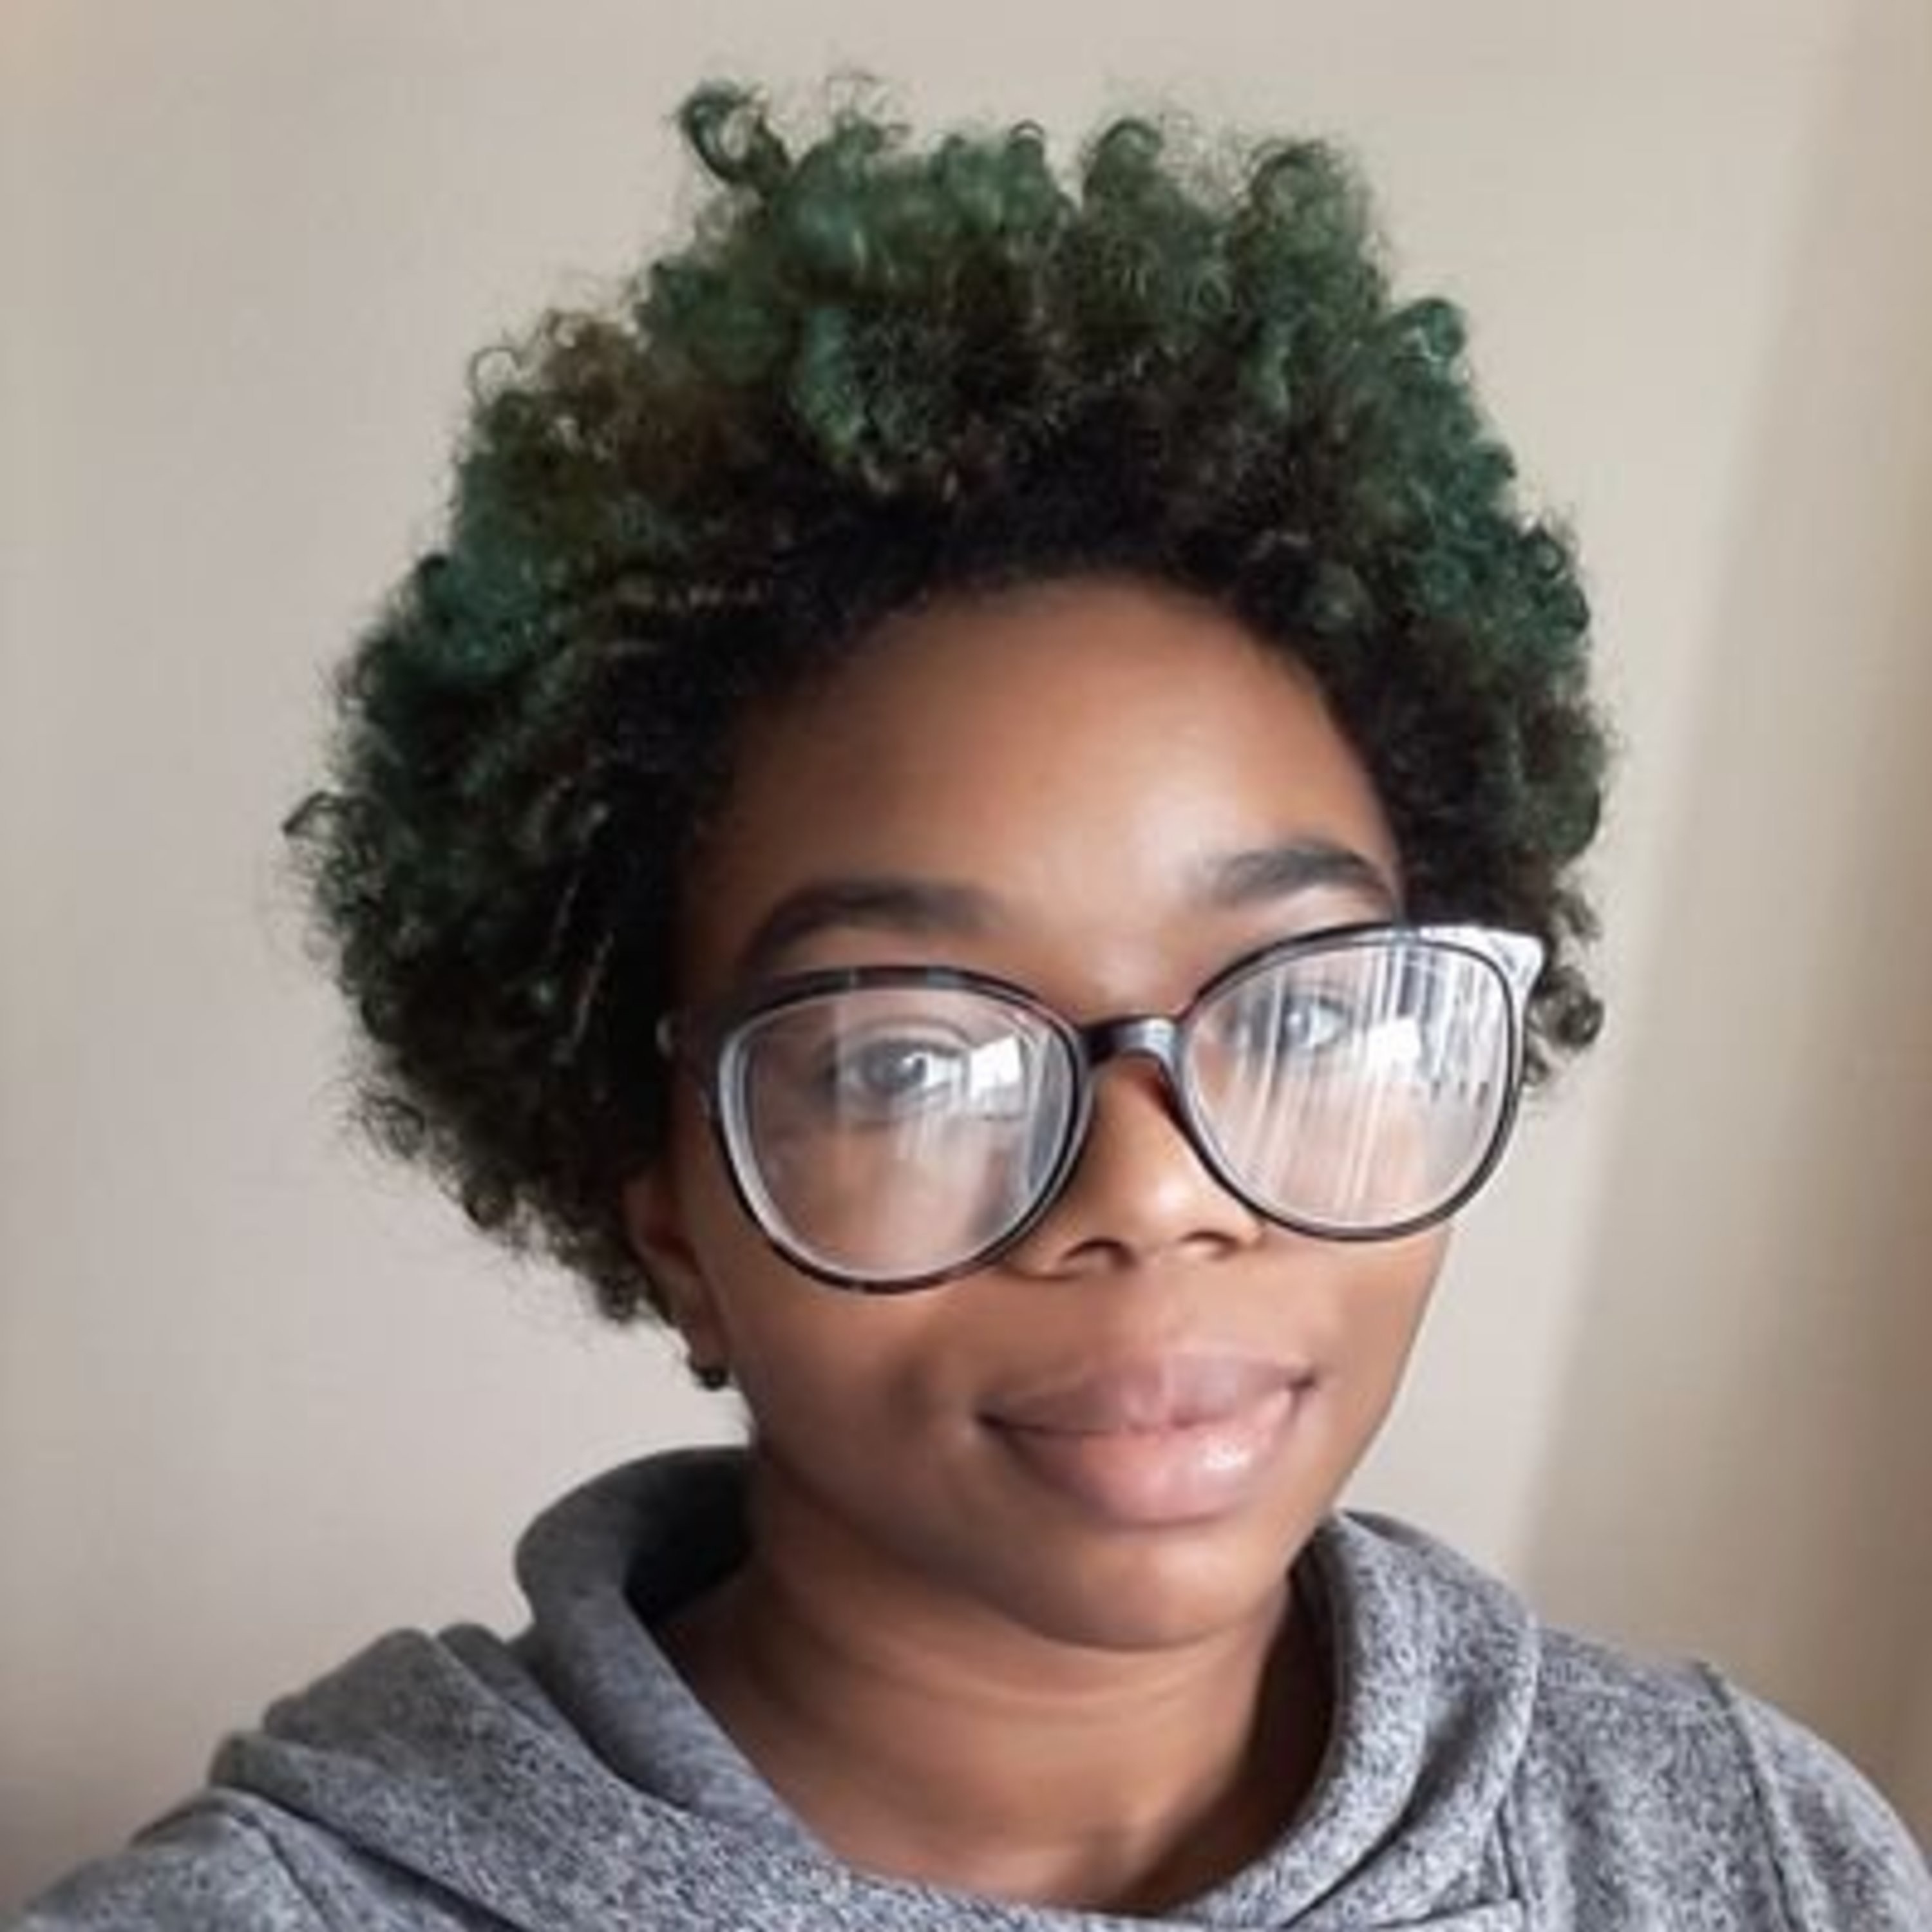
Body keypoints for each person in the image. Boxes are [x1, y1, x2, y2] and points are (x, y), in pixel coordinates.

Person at [12, 80, 1928, 1931]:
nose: (1155, 1191)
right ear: (667, 1212)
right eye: (912, 1061)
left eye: (1307, 1014)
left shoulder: (1753, 1854)